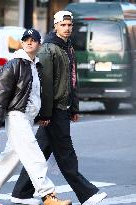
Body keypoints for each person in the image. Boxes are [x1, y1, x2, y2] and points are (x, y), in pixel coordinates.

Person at [11, 11, 107, 205]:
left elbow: (72, 80)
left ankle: (21, 193)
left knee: (40, 152)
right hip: (53, 110)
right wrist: (45, 113)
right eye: (63, 25)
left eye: (70, 25)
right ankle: (87, 194)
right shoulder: (49, 49)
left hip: (62, 107)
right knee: (66, 153)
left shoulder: (67, 47)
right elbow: (45, 84)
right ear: (55, 26)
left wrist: (74, 108)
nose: (67, 28)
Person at [0, 28, 72, 205]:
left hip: (26, 118)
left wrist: (42, 114)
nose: (29, 42)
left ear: (39, 44)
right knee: (34, 154)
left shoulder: (35, 65)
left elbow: (36, 94)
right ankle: (48, 195)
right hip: (16, 116)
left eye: (33, 40)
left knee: (11, 158)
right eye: (26, 40)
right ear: (21, 43)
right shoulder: (15, 64)